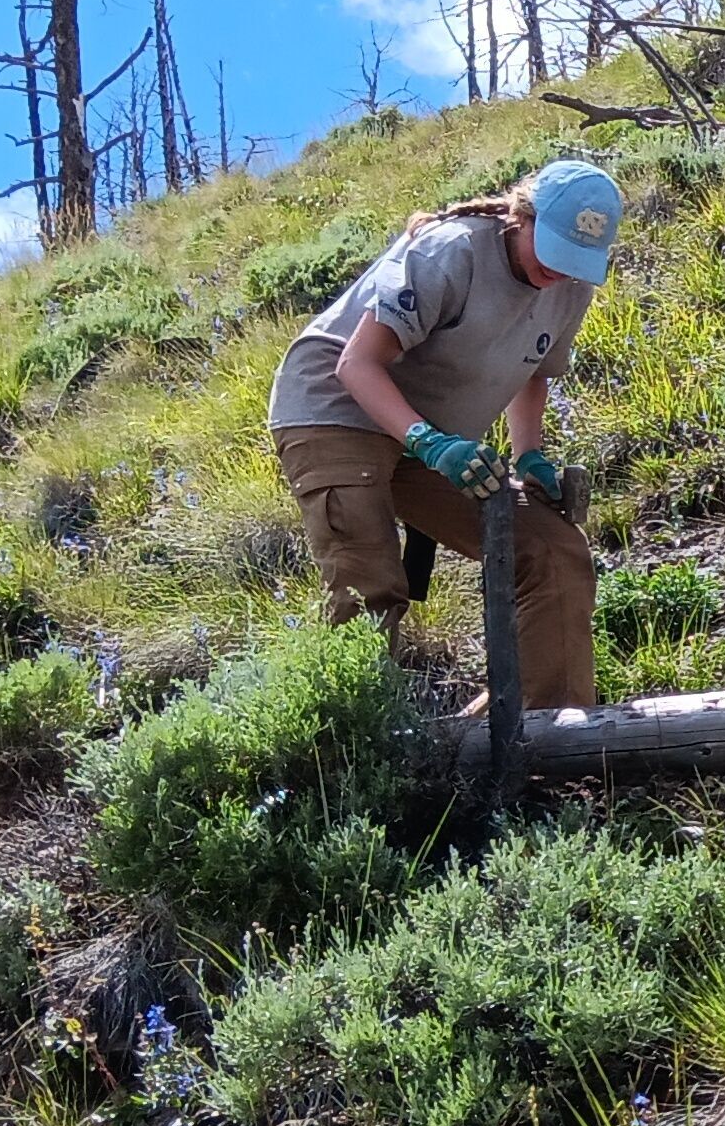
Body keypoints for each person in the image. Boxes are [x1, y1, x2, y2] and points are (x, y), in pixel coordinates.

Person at [263, 158, 623, 712]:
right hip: (334, 411)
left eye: (575, 259)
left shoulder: (571, 286)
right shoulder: (451, 252)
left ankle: (547, 731)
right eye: (550, 249)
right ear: (520, 218)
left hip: (431, 434)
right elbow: (356, 364)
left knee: (553, 549)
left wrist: (529, 455)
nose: (559, 270)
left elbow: (534, 368)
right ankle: (362, 756)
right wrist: (429, 442)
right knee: (370, 585)